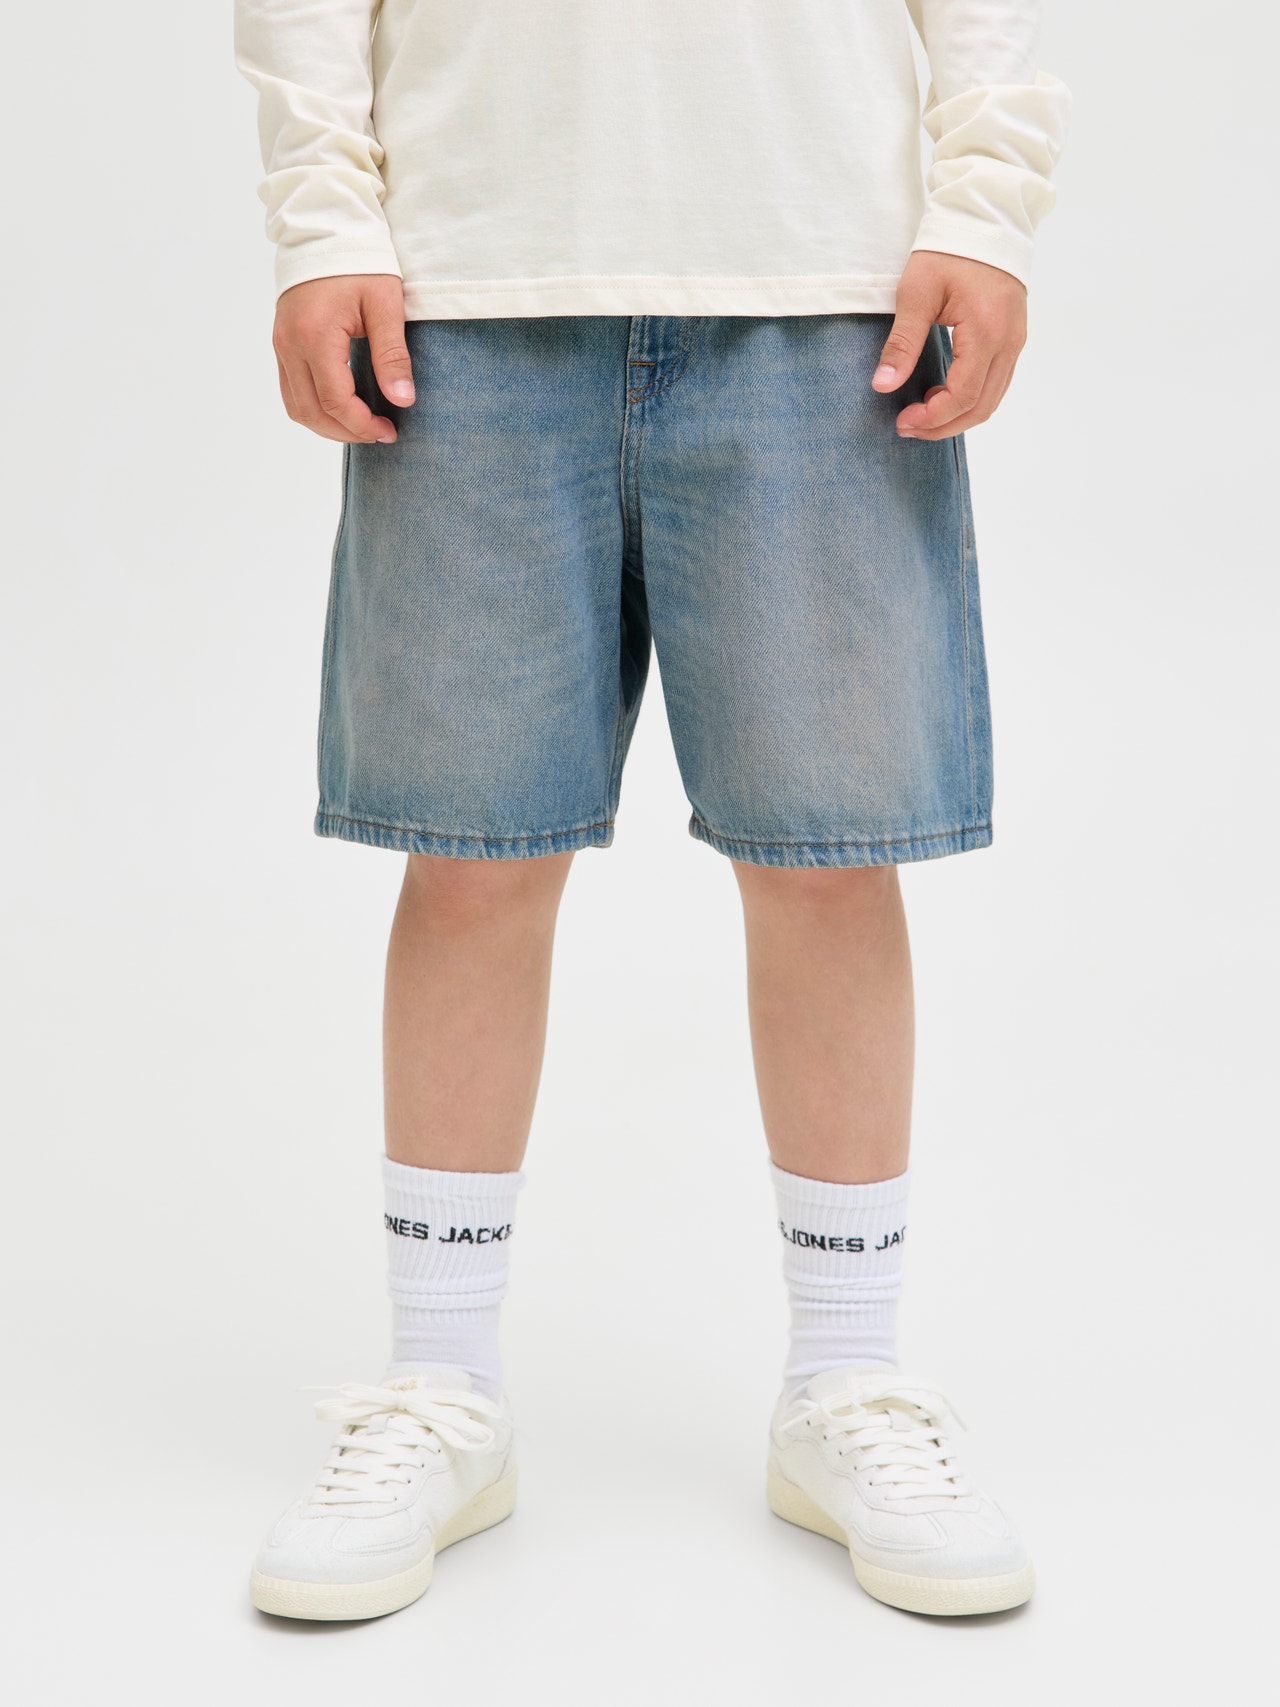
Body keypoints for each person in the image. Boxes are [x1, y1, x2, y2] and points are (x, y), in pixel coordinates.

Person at [234, 0, 1070, 1623]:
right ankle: (440, 1382)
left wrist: (985, 205)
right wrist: (322, 220)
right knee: (472, 856)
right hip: (469, 281)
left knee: (829, 858)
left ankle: (846, 1376)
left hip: (823, 282)